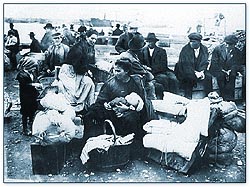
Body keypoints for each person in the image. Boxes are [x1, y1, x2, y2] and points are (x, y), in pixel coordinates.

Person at [84, 58, 157, 142]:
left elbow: (141, 103)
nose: (115, 73)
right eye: (114, 70)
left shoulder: (135, 84)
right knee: (91, 113)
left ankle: (132, 146)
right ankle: (88, 142)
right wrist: (107, 105)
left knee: (132, 118)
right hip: (112, 112)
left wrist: (126, 109)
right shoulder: (110, 83)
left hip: (129, 112)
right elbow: (100, 101)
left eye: (118, 71)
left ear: (126, 71)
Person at [175, 32, 213, 99]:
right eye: (190, 41)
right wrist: (195, 73)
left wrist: (201, 72)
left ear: (199, 42)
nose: (191, 43)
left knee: (209, 77)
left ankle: (209, 96)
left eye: (194, 42)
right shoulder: (185, 49)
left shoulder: (204, 49)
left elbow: (205, 62)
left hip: (199, 70)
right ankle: (188, 97)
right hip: (186, 70)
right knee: (189, 77)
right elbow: (185, 65)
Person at [119, 33, 156, 100]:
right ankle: (151, 104)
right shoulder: (133, 60)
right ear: (139, 49)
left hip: (122, 80)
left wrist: (142, 67)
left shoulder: (124, 54)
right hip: (131, 85)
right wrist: (145, 70)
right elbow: (150, 77)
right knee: (153, 85)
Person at [142, 33, 179, 98]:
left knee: (174, 79)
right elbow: (141, 63)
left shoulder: (161, 51)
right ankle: (166, 97)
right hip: (148, 73)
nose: (150, 43)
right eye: (148, 41)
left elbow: (163, 65)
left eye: (152, 41)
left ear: (155, 42)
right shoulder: (143, 51)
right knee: (163, 79)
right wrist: (146, 69)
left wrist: (151, 69)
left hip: (160, 71)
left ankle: (175, 96)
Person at [210, 34, 244, 101]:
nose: (227, 45)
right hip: (218, 69)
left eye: (230, 44)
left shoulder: (237, 52)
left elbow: (237, 63)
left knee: (233, 75)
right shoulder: (218, 49)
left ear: (234, 45)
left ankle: (230, 98)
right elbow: (214, 62)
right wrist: (222, 70)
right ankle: (223, 97)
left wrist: (230, 70)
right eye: (227, 43)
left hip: (229, 70)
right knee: (221, 76)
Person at [16, 57, 43, 135]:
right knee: (25, 112)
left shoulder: (32, 72)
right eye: (33, 67)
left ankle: (31, 124)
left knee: (32, 110)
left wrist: (39, 84)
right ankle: (25, 129)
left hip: (33, 95)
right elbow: (25, 85)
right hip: (25, 96)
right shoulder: (21, 75)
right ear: (28, 66)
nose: (34, 68)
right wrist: (34, 84)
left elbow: (35, 79)